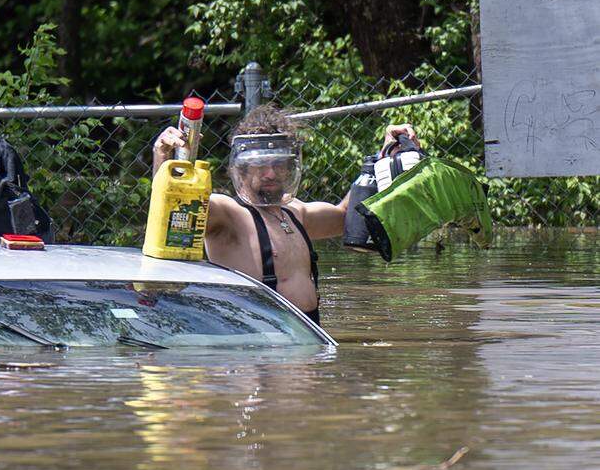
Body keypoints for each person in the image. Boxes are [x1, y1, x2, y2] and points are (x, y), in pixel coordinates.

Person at [153, 105, 418, 324]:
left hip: (309, 336)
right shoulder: (228, 215)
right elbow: (173, 209)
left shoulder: (296, 213)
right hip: (259, 346)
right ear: (242, 168)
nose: (270, 173)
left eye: (278, 163)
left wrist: (382, 156)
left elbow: (346, 216)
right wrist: (163, 158)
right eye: (260, 164)